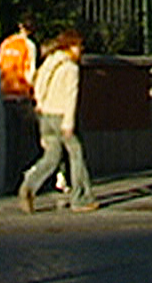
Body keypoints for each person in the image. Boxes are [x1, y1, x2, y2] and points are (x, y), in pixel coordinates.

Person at [18, 29, 96, 214]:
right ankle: (81, 198)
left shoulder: (49, 62)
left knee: (51, 157)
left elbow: (38, 83)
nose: (80, 51)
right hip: (62, 115)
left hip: (46, 115)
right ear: (71, 46)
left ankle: (29, 185)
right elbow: (71, 96)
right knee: (76, 155)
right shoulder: (71, 68)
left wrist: (41, 104)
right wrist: (68, 123)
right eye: (78, 46)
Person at [0, 16, 39, 192]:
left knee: (11, 141)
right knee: (27, 142)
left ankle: (9, 181)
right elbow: (30, 72)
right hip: (23, 96)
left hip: (7, 95)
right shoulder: (28, 46)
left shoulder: (6, 44)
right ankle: (25, 180)